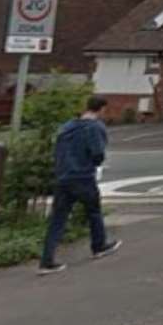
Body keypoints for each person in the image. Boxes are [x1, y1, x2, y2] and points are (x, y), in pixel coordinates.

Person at [38, 95, 121, 275]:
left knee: (57, 219)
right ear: (102, 109)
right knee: (93, 211)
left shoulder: (67, 127)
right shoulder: (95, 127)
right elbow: (97, 154)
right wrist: (94, 163)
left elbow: (58, 150)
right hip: (83, 176)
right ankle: (99, 246)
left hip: (63, 177)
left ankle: (47, 260)